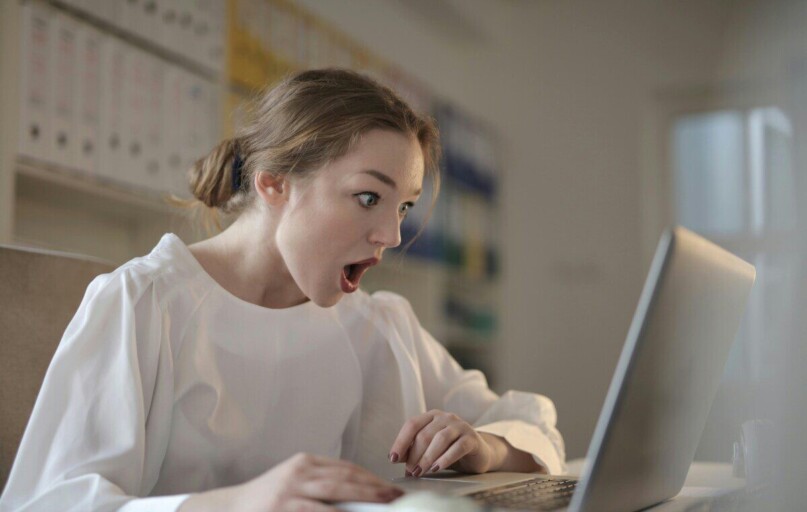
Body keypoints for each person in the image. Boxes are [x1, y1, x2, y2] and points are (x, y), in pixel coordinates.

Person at [0, 69, 564, 512]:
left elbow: (532, 424)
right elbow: (45, 502)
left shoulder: (379, 324)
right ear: (274, 182)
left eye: (404, 207)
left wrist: (485, 446)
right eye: (369, 197)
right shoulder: (143, 304)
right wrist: (234, 504)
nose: (391, 235)